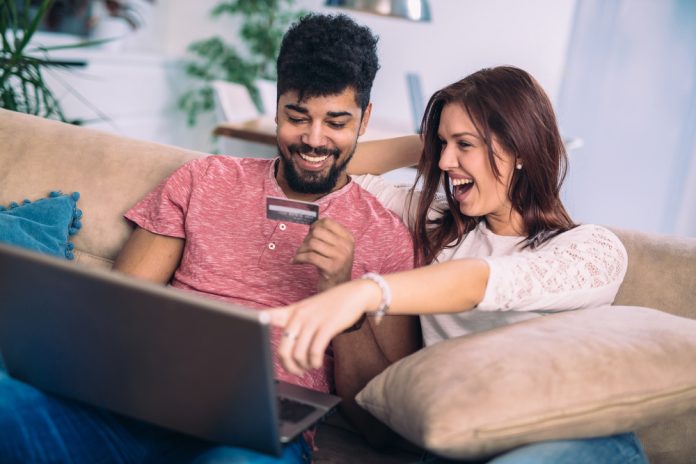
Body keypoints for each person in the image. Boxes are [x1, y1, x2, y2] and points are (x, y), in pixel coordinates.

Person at [0, 14, 420, 464]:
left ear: (364, 119)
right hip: (143, 401)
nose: (314, 141)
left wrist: (341, 293)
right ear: (276, 105)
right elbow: (116, 309)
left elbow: (380, 427)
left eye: (336, 123)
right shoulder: (204, 179)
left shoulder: (387, 237)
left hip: (253, 438)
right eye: (296, 117)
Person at [269, 66, 649, 463]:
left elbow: (483, 281)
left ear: (520, 150)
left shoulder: (591, 249)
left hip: (575, 441)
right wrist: (433, 147)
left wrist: (364, 292)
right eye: (442, 144)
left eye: (464, 145)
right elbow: (329, 170)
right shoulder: (438, 225)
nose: (447, 162)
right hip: (462, 443)